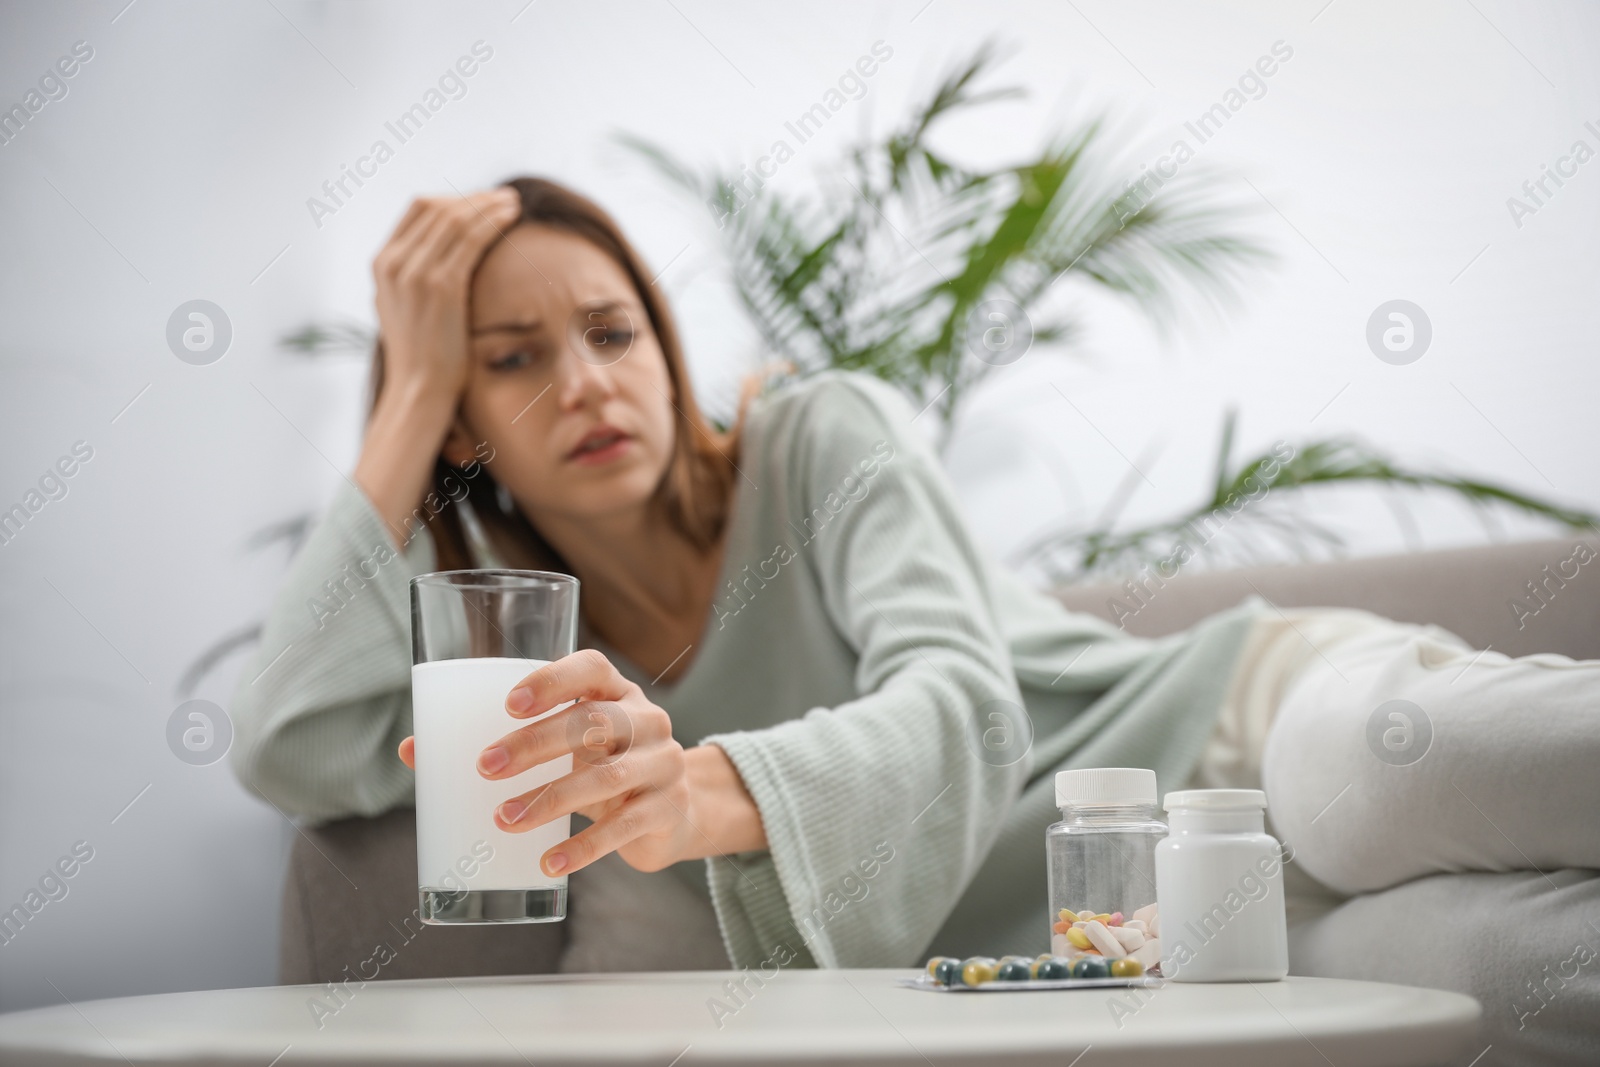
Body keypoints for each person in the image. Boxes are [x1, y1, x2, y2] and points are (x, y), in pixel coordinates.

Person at [230, 178, 1599, 1058]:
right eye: (512, 362)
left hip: (1229, 736)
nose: (585, 383)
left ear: (662, 341)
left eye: (613, 330)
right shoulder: (533, 676)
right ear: (464, 425)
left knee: (1370, 780)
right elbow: (289, 742)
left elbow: (963, 697)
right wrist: (408, 394)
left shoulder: (823, 436)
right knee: (1496, 984)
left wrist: (706, 792)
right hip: (1140, 947)